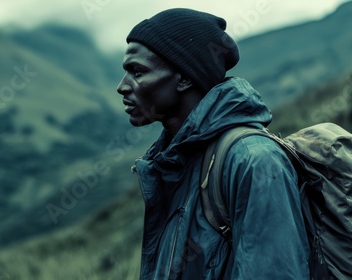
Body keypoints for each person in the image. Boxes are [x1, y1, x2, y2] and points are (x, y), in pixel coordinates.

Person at [116, 8, 310, 279]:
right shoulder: (176, 161)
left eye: (137, 71)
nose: (122, 86)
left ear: (184, 77)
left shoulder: (254, 161)